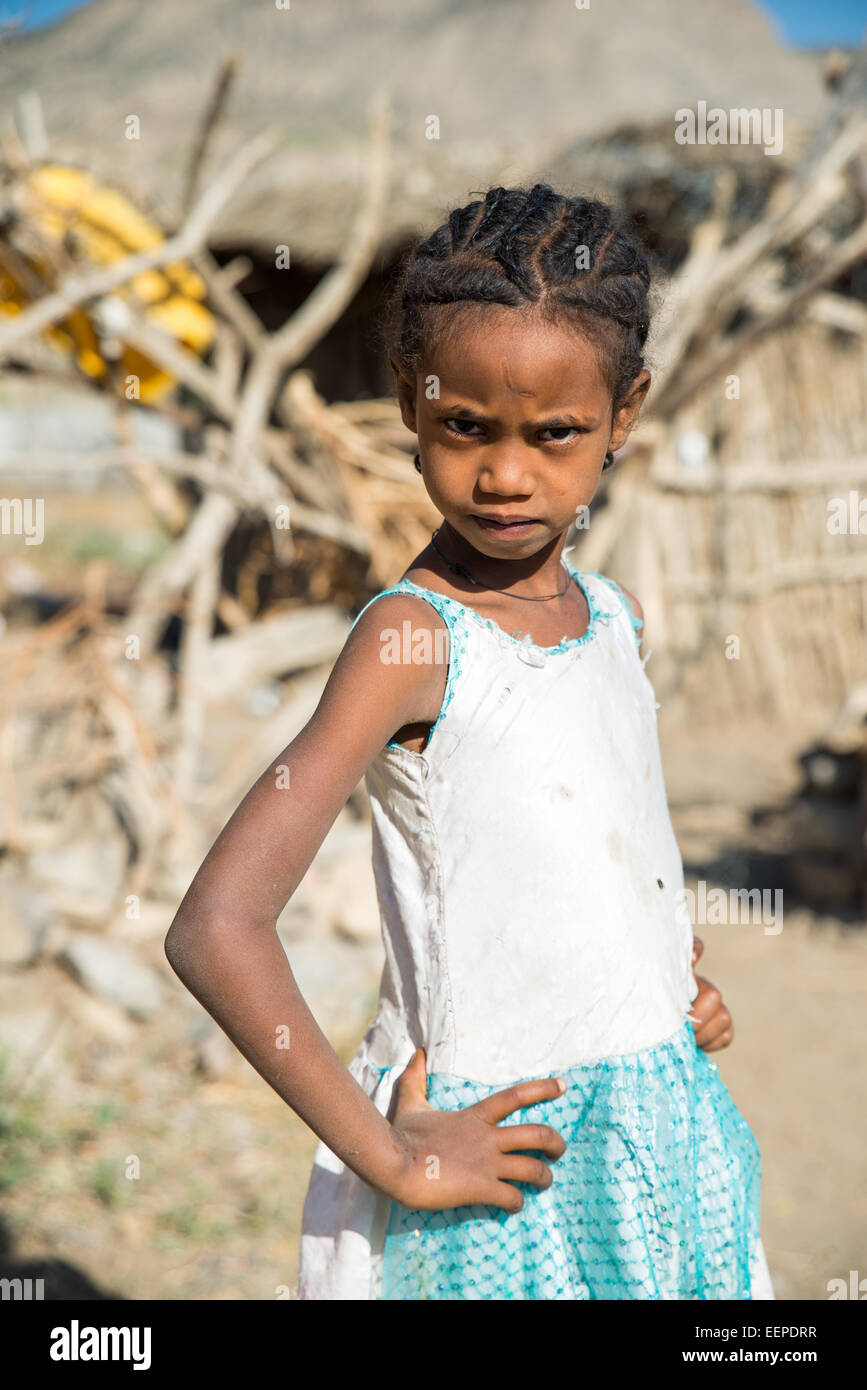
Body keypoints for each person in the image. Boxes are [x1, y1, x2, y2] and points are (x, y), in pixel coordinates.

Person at [164, 183, 774, 1301]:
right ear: (410, 400)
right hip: (501, 1168)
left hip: (656, 1138)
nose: (504, 473)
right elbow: (217, 925)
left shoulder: (617, 621)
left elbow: (589, 855)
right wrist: (391, 1154)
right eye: (464, 428)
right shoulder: (411, 642)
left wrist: (664, 990)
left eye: (555, 434)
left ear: (623, 413)